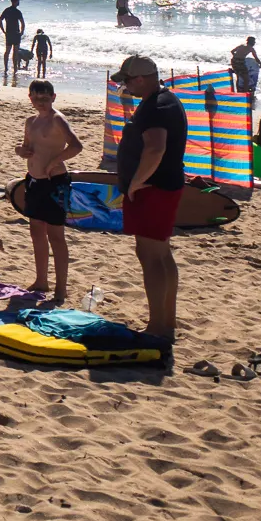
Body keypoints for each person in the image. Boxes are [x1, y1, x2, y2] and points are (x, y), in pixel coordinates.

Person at [109, 55, 187, 344]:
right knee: (161, 253)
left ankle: (158, 326)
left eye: (127, 81)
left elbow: (155, 149)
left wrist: (137, 182)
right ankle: (166, 320)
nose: (125, 86)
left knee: (151, 256)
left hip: (154, 188)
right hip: (162, 186)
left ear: (140, 79)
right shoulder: (165, 100)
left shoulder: (157, 106)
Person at [15, 79, 82, 303]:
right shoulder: (30, 121)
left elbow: (76, 146)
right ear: (30, 98)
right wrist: (20, 151)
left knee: (56, 235)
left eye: (45, 98)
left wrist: (55, 160)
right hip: (34, 180)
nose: (41, 102)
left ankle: (61, 288)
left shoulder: (57, 120)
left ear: (53, 97)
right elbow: (27, 147)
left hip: (55, 182)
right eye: (36, 98)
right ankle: (41, 280)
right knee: (36, 231)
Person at [0, 0, 25, 81]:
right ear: (15, 2)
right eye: (18, 1)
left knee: (7, 51)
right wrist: (22, 32)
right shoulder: (17, 12)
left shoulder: (7, 10)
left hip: (8, 33)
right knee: (15, 52)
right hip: (16, 33)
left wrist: (3, 31)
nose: (19, 3)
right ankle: (15, 69)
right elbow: (22, 23)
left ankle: (6, 68)